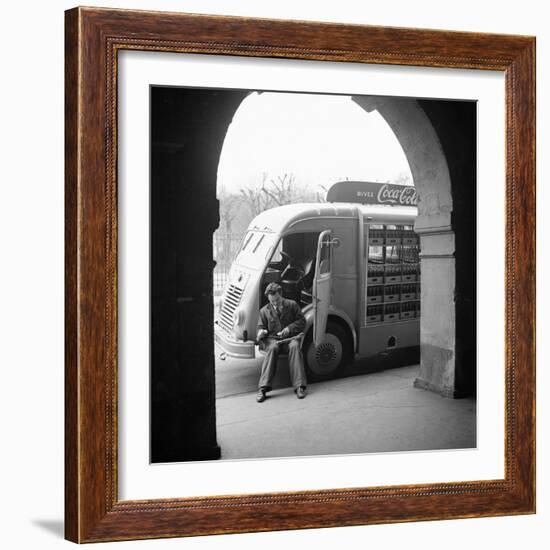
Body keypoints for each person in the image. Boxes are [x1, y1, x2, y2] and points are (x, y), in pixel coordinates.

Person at [256, 282, 307, 403]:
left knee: (295, 346)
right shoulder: (264, 311)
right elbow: (260, 328)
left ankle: (299, 386)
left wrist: (289, 329)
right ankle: (263, 388)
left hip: (289, 339)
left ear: (281, 295)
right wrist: (261, 332)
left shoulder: (292, 305)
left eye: (277, 300)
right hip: (273, 340)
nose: (275, 304)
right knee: (272, 348)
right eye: (272, 302)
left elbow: (302, 321)